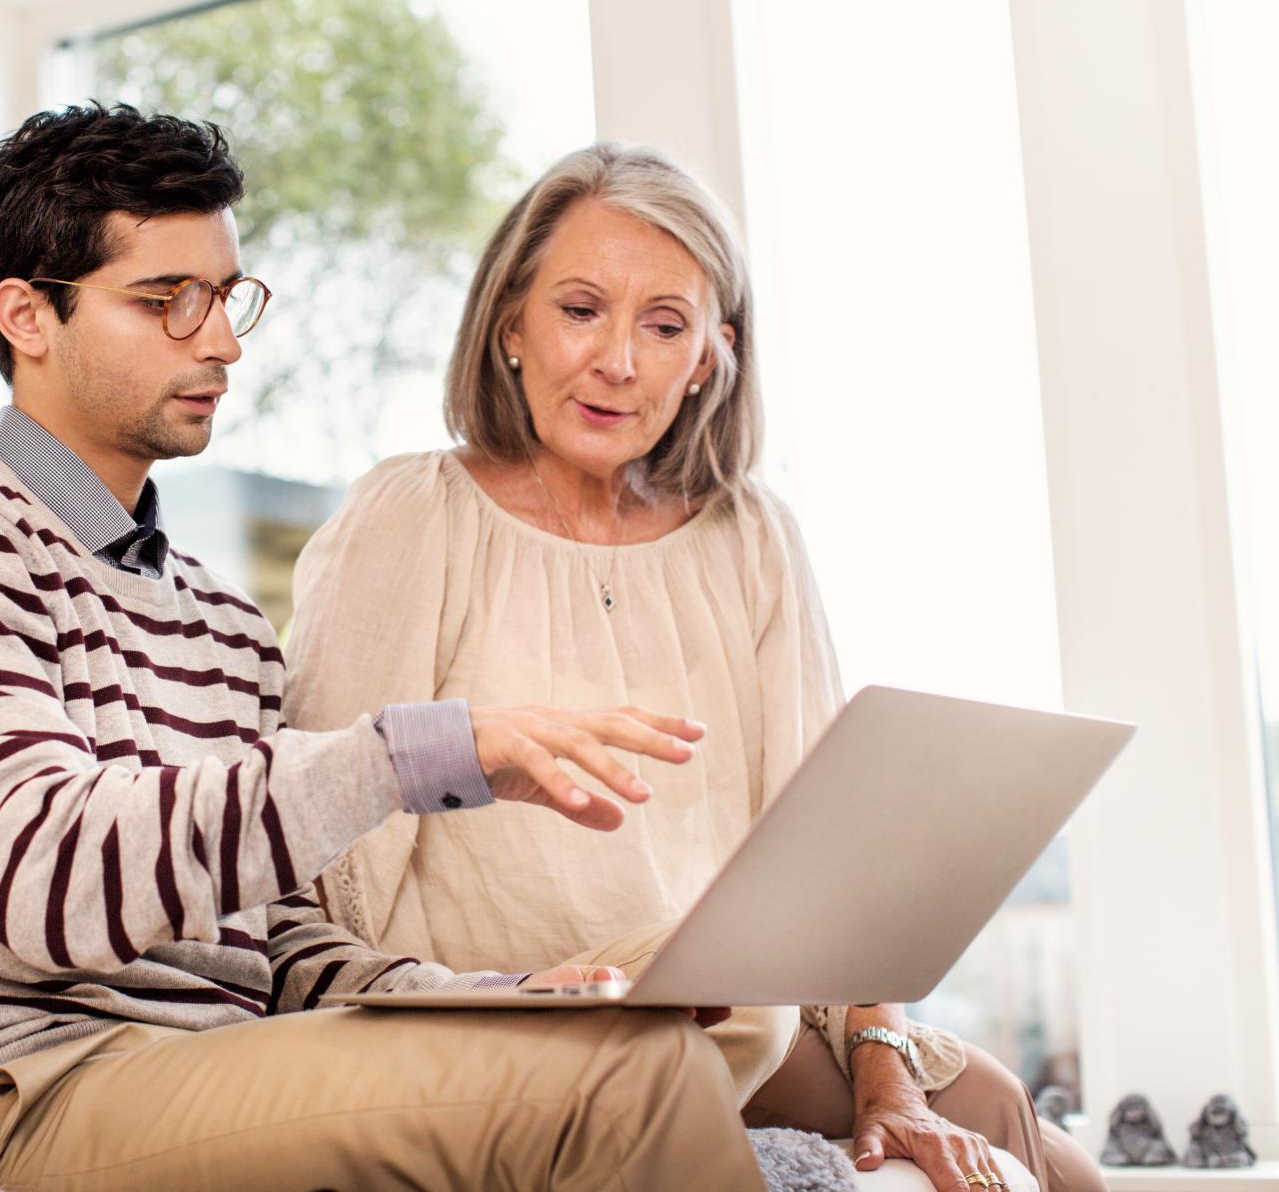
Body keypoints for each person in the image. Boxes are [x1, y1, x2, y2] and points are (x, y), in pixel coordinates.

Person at [0, 105, 769, 1191]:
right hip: (3, 1100)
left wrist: (487, 1002)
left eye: (226, 297)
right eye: (166, 302)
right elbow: (46, 881)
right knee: (626, 1080)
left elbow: (276, 949)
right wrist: (416, 754)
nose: (221, 342)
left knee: (636, 1034)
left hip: (205, 1072)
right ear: (26, 314)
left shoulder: (220, 621)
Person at [284, 142, 1105, 1192]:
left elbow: (833, 857)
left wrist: (883, 1064)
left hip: (735, 1017)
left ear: (710, 356)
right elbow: (323, 852)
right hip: (514, 1019)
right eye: (581, 308)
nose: (619, 360)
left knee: (1047, 1157)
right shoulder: (410, 514)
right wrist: (484, 1000)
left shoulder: (751, 534)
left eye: (663, 325)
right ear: (510, 328)